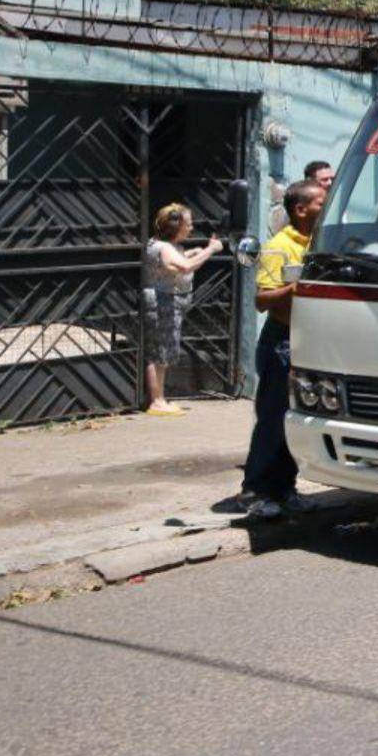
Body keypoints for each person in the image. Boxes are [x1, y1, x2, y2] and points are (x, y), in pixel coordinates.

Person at [232, 179, 325, 519]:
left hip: (308, 340)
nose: (325, 206)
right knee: (272, 419)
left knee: (294, 420)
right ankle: (254, 490)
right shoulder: (278, 245)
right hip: (280, 342)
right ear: (301, 210)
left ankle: (285, 488)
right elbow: (262, 300)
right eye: (320, 202)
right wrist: (298, 288)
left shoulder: (319, 242)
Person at [141, 204, 225, 416]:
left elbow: (173, 262)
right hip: (163, 304)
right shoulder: (165, 247)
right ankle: (157, 402)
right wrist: (210, 250)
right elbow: (185, 266)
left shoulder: (165, 245)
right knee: (160, 353)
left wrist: (193, 251)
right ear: (175, 227)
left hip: (168, 302)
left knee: (163, 351)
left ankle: (159, 398)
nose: (191, 228)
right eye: (188, 224)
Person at [267, 161, 335, 233]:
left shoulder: (339, 203)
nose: (330, 183)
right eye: (325, 180)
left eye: (332, 179)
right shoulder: (296, 204)